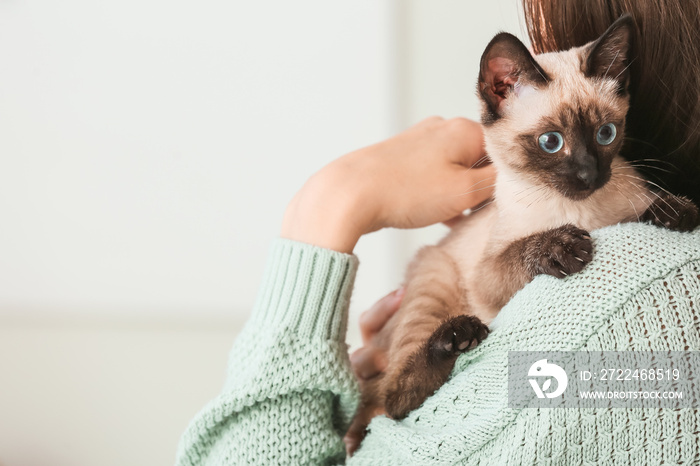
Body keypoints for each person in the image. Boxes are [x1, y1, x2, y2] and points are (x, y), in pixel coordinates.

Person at [175, 1, 700, 464]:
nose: (586, 170)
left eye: (605, 135)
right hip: (459, 284)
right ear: (499, 95)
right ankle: (410, 375)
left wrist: (329, 204)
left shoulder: (591, 333)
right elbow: (497, 285)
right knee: (435, 276)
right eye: (552, 143)